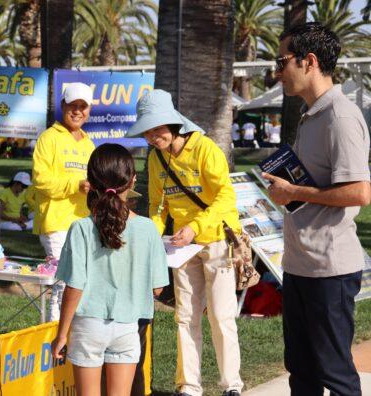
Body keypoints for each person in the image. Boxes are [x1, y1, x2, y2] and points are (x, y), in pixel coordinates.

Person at [262, 23, 370, 396]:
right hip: (300, 265)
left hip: (329, 270)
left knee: (334, 375)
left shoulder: (340, 116)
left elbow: (359, 192)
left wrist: (294, 189)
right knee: (302, 373)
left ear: (308, 62)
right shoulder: (312, 114)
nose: (277, 71)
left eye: (281, 61)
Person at [126, 89, 244, 396]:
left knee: (221, 315)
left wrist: (195, 227)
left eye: (157, 129)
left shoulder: (205, 149)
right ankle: (189, 386)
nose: (152, 137)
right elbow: (156, 205)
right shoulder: (155, 158)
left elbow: (225, 197)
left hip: (217, 240)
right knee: (185, 316)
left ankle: (231, 385)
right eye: (147, 132)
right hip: (182, 248)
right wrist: (153, 237)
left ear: (173, 123)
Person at [51, 143, 169, 396]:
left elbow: (74, 286)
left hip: (88, 325)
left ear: (90, 181)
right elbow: (158, 287)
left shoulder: (81, 228)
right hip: (128, 326)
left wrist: (62, 334)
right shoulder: (149, 229)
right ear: (133, 180)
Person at [32, 82, 95, 321]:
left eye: (83, 106)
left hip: (84, 223)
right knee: (61, 284)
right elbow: (41, 180)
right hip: (55, 223)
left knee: (80, 284)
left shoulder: (89, 145)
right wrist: (76, 185)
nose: (78, 111)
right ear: (62, 106)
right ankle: (54, 342)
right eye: (73, 105)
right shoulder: (48, 138)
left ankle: (72, 339)